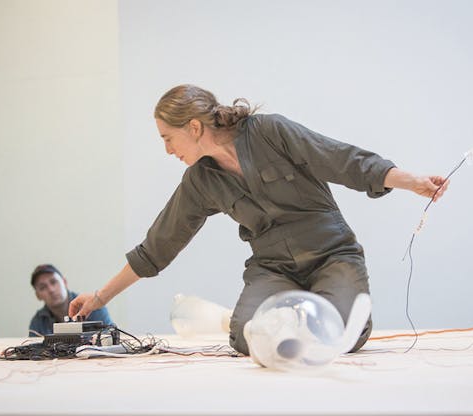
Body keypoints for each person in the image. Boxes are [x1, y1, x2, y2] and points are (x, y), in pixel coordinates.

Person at [69, 84, 449, 355]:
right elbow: (157, 247)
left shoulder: (269, 132)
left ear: (195, 128)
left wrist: (411, 182)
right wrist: (99, 298)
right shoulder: (200, 181)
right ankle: (253, 318)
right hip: (273, 269)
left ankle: (316, 311)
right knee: (245, 339)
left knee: (342, 336)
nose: (167, 149)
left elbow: (342, 160)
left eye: (168, 138)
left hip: (333, 256)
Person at [29, 264, 113, 336]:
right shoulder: (38, 322)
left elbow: (110, 337)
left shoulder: (92, 307)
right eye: (43, 287)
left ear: (64, 282)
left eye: (54, 282)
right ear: (37, 296)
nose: (51, 290)